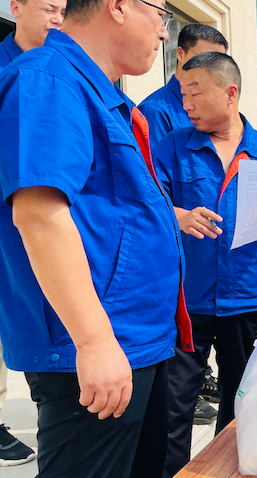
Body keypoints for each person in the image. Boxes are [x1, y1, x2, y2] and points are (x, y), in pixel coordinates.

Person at [0, 0, 194, 475]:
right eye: (162, 17)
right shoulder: (48, 79)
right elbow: (39, 214)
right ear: (120, 7)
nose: (165, 34)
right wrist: (94, 341)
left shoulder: (97, 92)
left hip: (135, 339)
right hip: (95, 348)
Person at [152, 51, 257, 477]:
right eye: (183, 94)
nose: (186, 104)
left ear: (230, 93)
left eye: (195, 93)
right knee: (174, 406)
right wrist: (179, 216)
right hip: (188, 301)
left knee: (244, 402)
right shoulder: (172, 149)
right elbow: (146, 207)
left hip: (249, 297)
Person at [139, 22, 228, 426]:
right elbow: (149, 187)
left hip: (223, 266)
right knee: (179, 370)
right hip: (179, 256)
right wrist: (178, 216)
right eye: (201, 58)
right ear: (179, 55)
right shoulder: (157, 112)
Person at [0, 0, 65, 466]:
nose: (58, 18)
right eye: (49, 7)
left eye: (64, 9)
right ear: (16, 6)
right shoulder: (11, 74)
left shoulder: (64, 72)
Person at [139, 23, 227, 146]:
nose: (211, 67)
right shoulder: (155, 111)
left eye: (218, 61)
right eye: (204, 57)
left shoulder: (215, 110)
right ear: (180, 54)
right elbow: (155, 164)